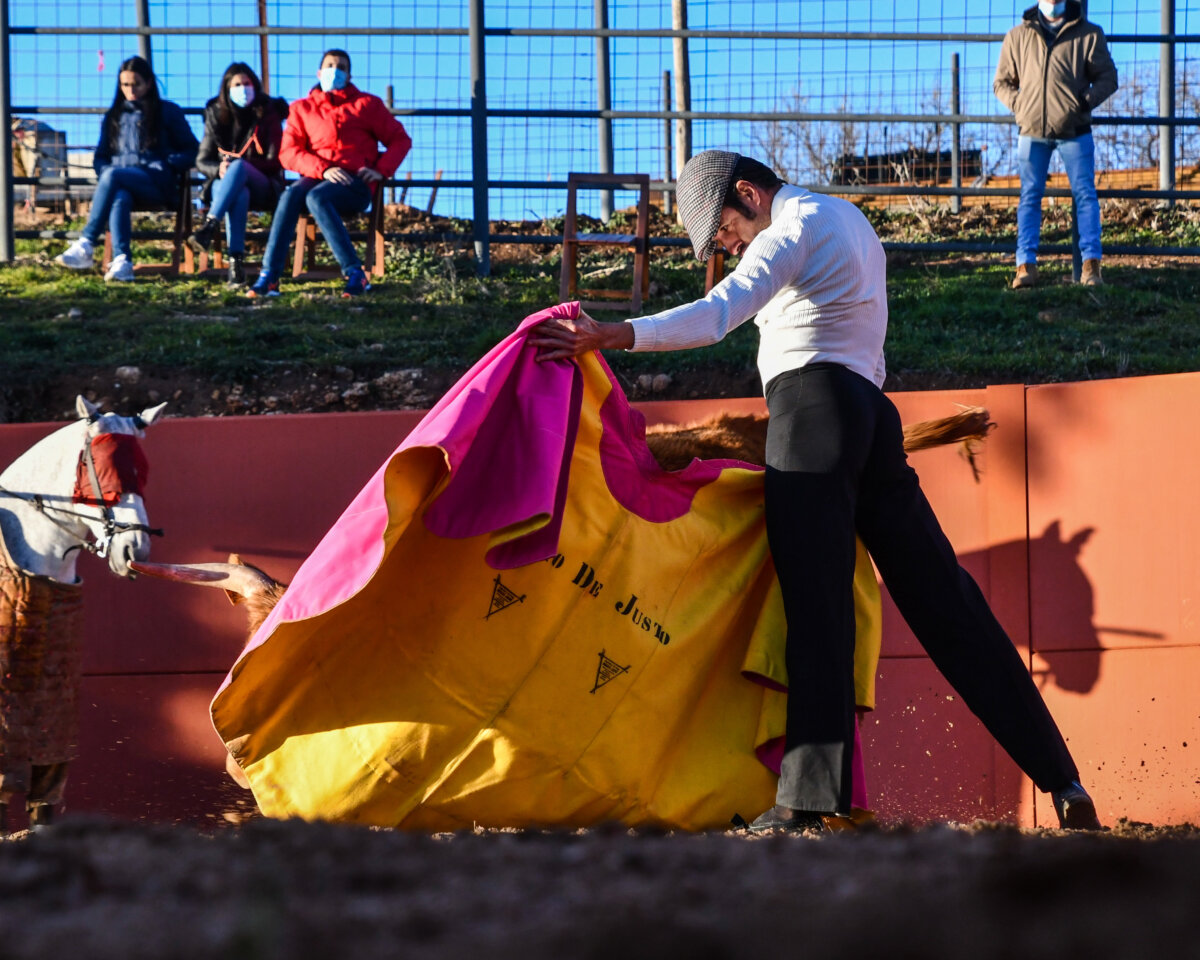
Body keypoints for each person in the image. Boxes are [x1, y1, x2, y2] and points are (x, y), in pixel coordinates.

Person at [529, 150, 1104, 834]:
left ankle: (805, 800)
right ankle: (1061, 779)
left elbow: (719, 314)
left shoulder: (788, 229)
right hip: (873, 420)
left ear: (748, 192)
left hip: (809, 412)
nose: (732, 250)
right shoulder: (851, 222)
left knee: (816, 606)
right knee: (950, 604)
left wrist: (612, 333)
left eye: (727, 235)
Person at [247, 49, 411, 300]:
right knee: (291, 195)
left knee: (316, 198)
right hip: (317, 175)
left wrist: (379, 170)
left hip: (355, 183)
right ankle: (269, 276)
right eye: (330, 65)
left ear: (349, 74)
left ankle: (355, 273)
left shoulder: (367, 105)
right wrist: (323, 169)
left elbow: (400, 140)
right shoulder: (301, 109)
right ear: (319, 72)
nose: (335, 70)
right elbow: (288, 153)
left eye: (341, 66)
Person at [994, 1, 1118, 289]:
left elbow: (1108, 78)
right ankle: (1025, 265)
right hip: (1031, 130)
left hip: (1075, 130)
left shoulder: (1089, 34)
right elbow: (1001, 82)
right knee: (1030, 197)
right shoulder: (1017, 36)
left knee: (1085, 194)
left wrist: (1083, 103)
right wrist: (1020, 105)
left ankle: (1091, 265)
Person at [53, 56, 198, 282]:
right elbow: (100, 157)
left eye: (136, 84)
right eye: (125, 85)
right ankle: (122, 261)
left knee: (113, 176)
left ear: (149, 83)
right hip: (121, 181)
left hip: (157, 182)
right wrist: (105, 177)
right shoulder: (114, 116)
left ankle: (87, 242)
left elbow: (192, 150)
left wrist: (167, 162)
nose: (130, 90)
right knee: (119, 195)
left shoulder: (168, 112)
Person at [188, 62, 289, 287]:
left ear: (255, 85)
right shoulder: (215, 114)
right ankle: (236, 266)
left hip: (263, 184)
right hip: (224, 185)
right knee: (238, 193)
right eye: (237, 85)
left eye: (247, 83)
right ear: (227, 88)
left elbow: (276, 162)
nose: (243, 89)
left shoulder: (268, 112)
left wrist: (241, 165)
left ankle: (209, 225)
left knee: (239, 169)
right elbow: (202, 160)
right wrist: (219, 169)